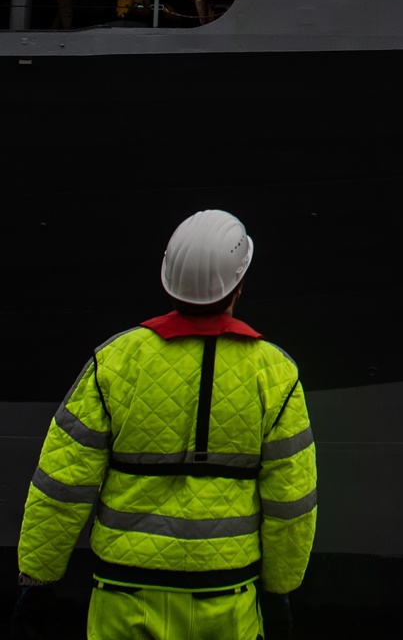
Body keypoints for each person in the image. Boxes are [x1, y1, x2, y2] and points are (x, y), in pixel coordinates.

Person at [14, 209, 316, 640]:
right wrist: (281, 590)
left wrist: (38, 582)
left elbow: (61, 488)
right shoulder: (276, 373)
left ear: (167, 276)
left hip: (125, 597)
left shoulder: (115, 361)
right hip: (227, 600)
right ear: (239, 281)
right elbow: (292, 502)